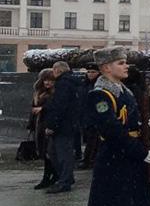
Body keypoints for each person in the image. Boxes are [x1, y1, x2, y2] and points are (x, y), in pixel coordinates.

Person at [83, 47, 150, 206]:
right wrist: (141, 152)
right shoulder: (100, 95)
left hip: (125, 158)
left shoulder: (122, 90)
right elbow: (112, 131)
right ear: (106, 68)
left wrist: (147, 126)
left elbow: (130, 122)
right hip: (113, 159)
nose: (126, 66)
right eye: (121, 63)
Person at [43, 61, 81, 194]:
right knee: (57, 152)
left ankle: (65, 181)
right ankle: (66, 178)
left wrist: (52, 125)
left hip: (63, 125)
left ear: (57, 70)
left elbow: (59, 106)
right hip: (70, 123)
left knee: (61, 153)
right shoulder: (73, 82)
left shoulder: (63, 84)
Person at [29, 69, 57, 189]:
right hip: (39, 125)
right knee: (45, 153)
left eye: (50, 80)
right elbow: (33, 109)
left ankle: (50, 177)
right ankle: (49, 176)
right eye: (45, 80)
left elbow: (54, 108)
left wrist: (43, 109)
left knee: (49, 152)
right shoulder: (38, 92)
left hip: (48, 125)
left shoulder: (55, 93)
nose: (47, 82)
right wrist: (31, 125)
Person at [79, 63, 101, 168]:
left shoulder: (98, 85)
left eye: (93, 72)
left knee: (95, 140)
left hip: (95, 116)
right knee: (90, 139)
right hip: (86, 116)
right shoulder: (85, 84)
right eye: (88, 72)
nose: (90, 74)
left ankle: (90, 159)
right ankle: (89, 159)